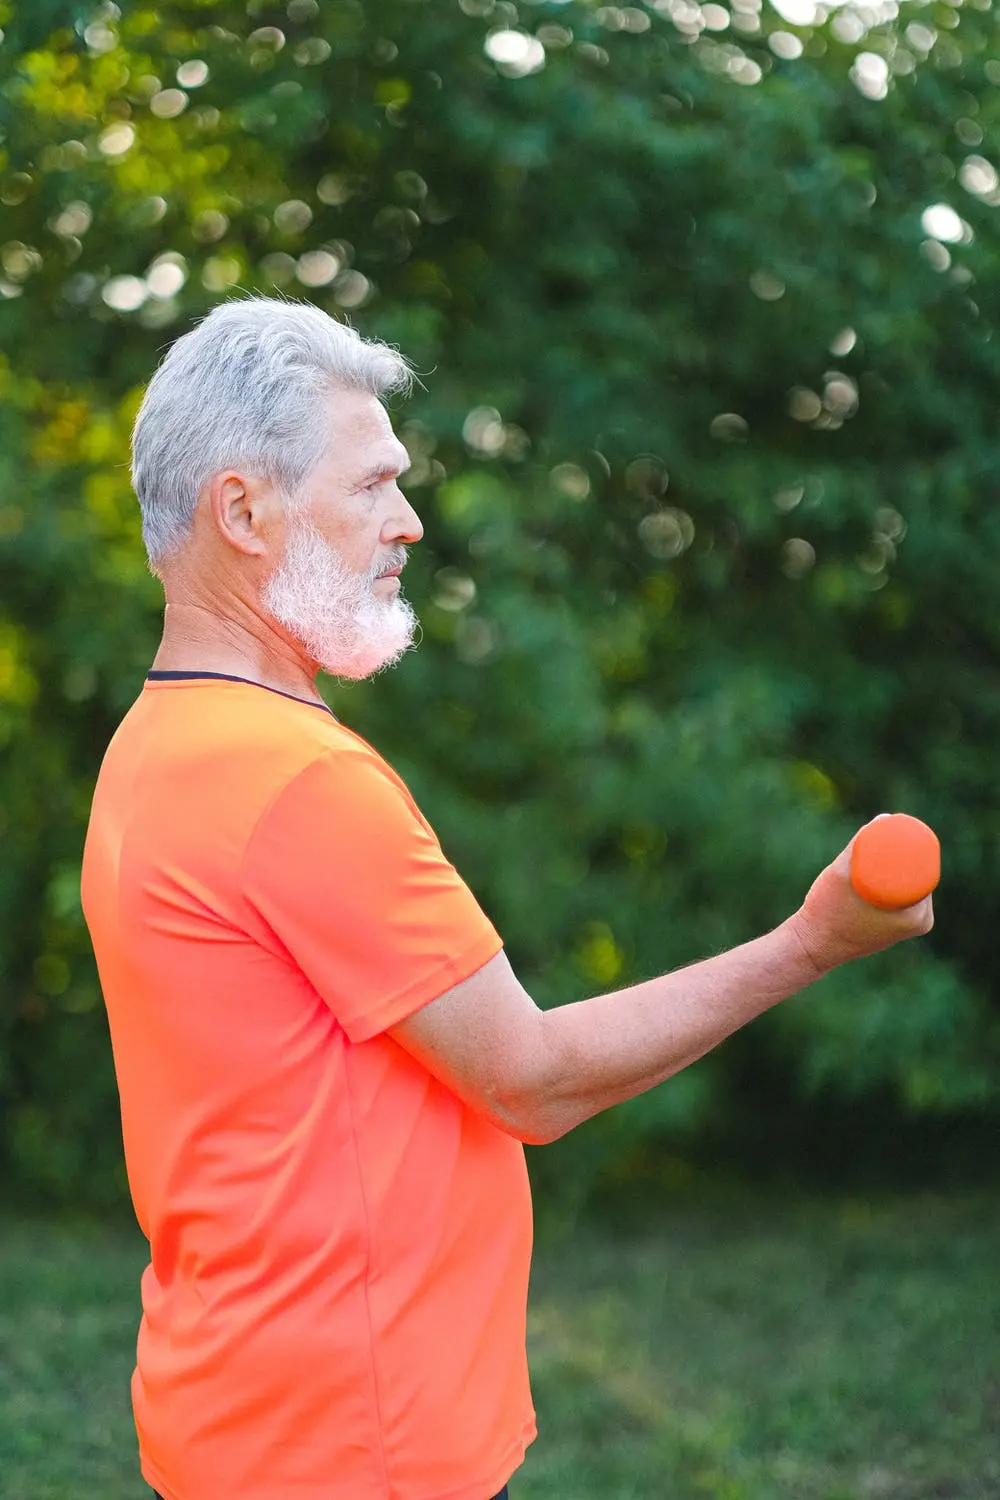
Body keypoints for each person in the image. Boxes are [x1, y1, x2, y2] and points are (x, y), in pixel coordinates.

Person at [81, 297, 933, 1500]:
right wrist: (811, 942)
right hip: (346, 1449)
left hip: (238, 1415)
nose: (409, 521)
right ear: (242, 512)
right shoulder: (292, 776)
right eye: (373, 484)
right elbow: (528, 1077)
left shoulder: (156, 741)